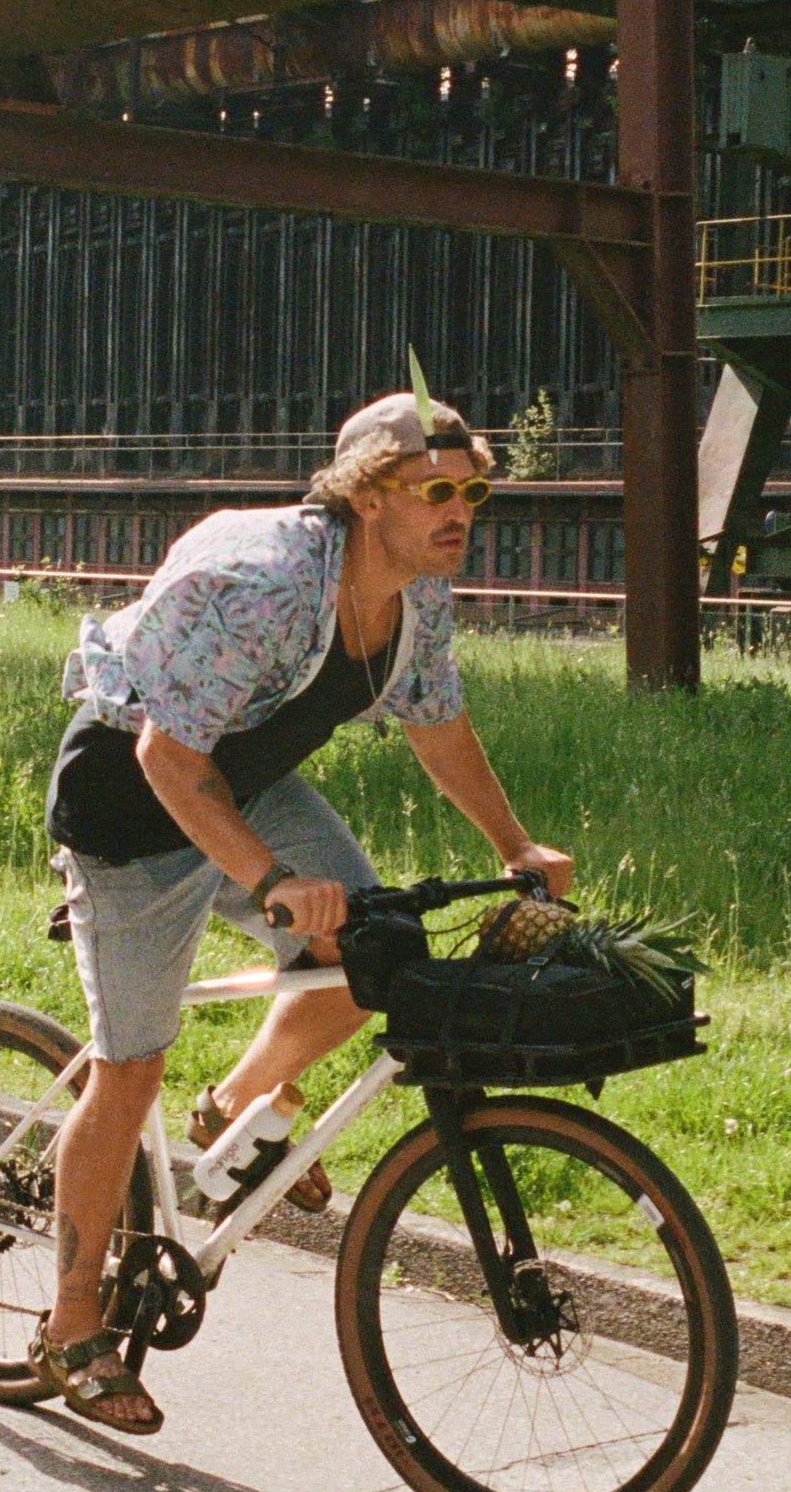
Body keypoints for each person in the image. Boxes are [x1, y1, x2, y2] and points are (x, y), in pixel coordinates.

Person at [31, 387, 573, 1434]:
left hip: (246, 779)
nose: (460, 511)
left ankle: (232, 1110)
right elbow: (166, 760)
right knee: (129, 1062)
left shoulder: (416, 591)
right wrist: (275, 883)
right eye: (436, 492)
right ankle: (67, 1321)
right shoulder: (261, 583)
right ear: (370, 496)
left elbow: (439, 725)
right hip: (131, 803)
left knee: (371, 954)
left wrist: (513, 845)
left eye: (474, 492)